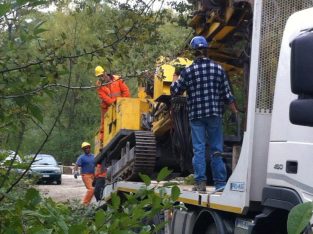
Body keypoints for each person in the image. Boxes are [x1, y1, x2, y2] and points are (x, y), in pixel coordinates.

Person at [170, 36, 238, 192]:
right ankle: (220, 184)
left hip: (196, 116)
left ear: (194, 53)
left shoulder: (188, 72)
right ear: (207, 50)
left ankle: (200, 183)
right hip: (214, 114)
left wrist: (175, 77)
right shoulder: (218, 69)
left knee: (199, 149)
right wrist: (235, 112)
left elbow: (174, 90)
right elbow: (228, 95)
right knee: (216, 149)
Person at [94, 66, 130, 144]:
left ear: (105, 72)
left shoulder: (117, 79)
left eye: (101, 75)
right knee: (104, 123)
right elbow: (105, 98)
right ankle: (102, 142)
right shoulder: (99, 85)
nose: (101, 78)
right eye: (99, 76)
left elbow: (126, 92)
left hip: (121, 103)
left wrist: (122, 101)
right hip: (108, 106)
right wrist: (114, 102)